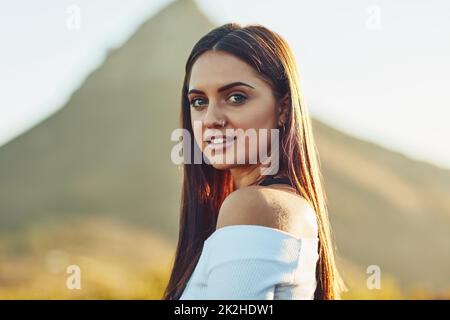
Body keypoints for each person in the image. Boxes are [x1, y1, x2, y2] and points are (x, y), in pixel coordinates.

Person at [163, 23, 345, 300]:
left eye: (236, 97)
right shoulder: (266, 206)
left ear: (283, 108)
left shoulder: (254, 206)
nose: (211, 119)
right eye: (199, 101)